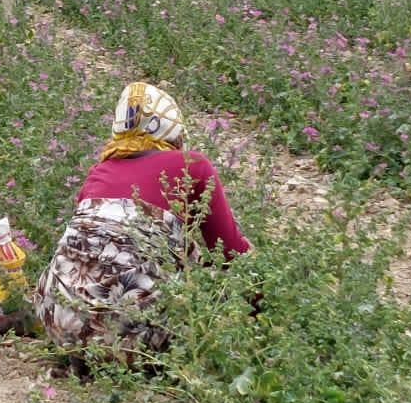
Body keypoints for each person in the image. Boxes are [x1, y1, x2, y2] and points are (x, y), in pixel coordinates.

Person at [33, 82, 251, 357]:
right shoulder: (192, 165)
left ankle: (86, 353)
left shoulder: (98, 172)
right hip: (132, 333)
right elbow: (231, 251)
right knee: (216, 282)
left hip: (57, 319)